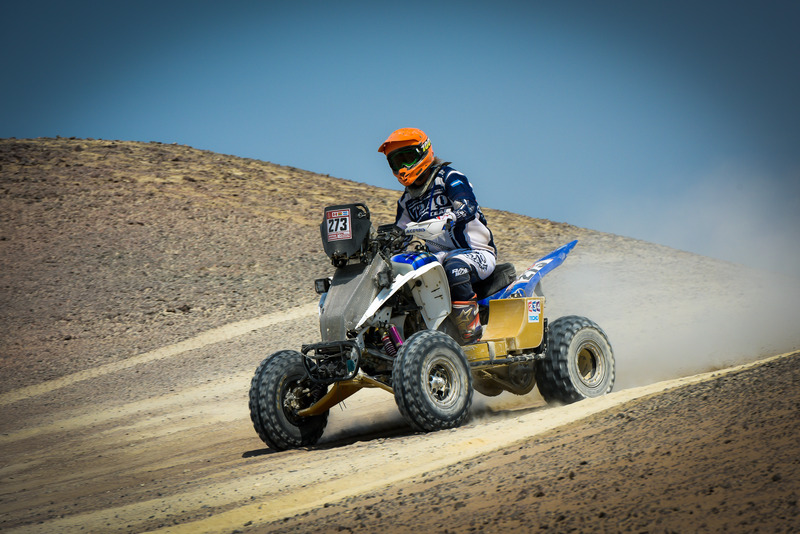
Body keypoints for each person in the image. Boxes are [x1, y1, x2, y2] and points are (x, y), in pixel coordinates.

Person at [378, 127, 497, 344]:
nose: (403, 167)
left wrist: (452, 216)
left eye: (407, 157)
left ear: (424, 151)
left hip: (476, 252)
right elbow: (400, 232)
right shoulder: (407, 200)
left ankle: (470, 335)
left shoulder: (450, 178)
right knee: (400, 275)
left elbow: (468, 205)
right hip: (438, 258)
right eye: (396, 162)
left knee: (455, 267)